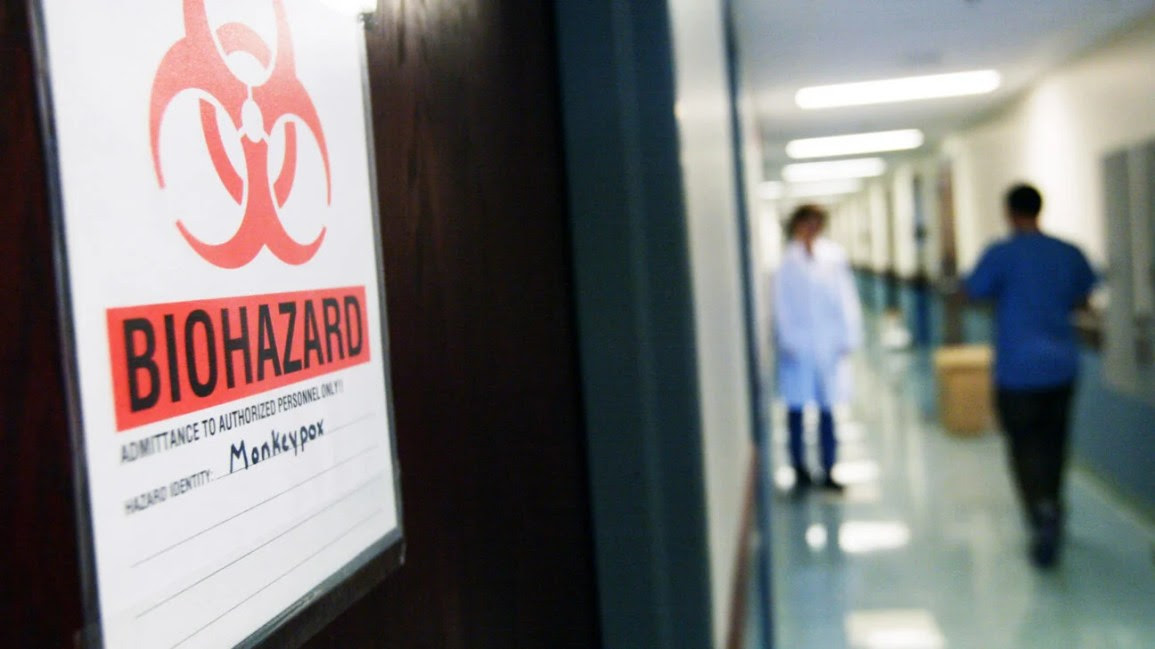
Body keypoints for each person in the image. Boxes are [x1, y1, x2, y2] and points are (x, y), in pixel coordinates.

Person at [965, 183, 1096, 568]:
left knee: (1023, 445)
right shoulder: (1068, 253)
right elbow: (1084, 296)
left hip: (1017, 371)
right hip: (1061, 367)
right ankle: (1054, 507)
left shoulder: (1001, 254)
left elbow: (974, 291)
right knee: (1055, 442)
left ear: (1009, 213)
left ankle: (1039, 517)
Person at [773, 204, 862, 493]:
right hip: (797, 346)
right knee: (796, 410)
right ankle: (799, 469)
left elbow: (846, 298)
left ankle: (829, 468)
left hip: (829, 343)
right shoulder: (786, 262)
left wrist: (849, 336)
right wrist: (787, 340)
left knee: (828, 410)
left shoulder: (834, 256)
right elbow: (780, 305)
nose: (811, 229)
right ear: (796, 226)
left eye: (816, 224)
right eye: (805, 223)